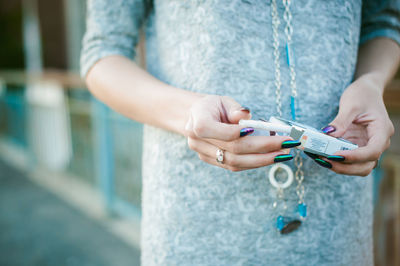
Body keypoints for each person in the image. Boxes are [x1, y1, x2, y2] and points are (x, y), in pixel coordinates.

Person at [81, 0, 400, 265]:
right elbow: (103, 51)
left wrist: (371, 82)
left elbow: (383, 23)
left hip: (337, 223)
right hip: (197, 217)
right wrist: (189, 114)